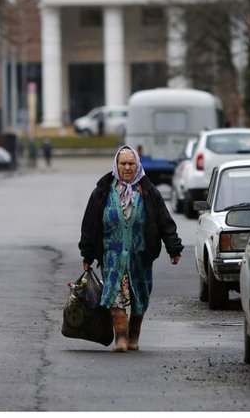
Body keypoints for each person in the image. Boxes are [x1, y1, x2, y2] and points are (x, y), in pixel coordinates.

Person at [79, 144, 183, 352]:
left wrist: (174, 248)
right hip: (112, 255)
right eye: (123, 163)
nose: (127, 167)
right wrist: (87, 254)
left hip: (140, 256)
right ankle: (121, 339)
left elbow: (164, 221)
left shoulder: (148, 192)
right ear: (116, 165)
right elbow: (90, 224)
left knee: (139, 296)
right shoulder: (102, 192)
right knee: (116, 295)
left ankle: (134, 336)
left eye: (131, 163)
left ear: (137, 166)